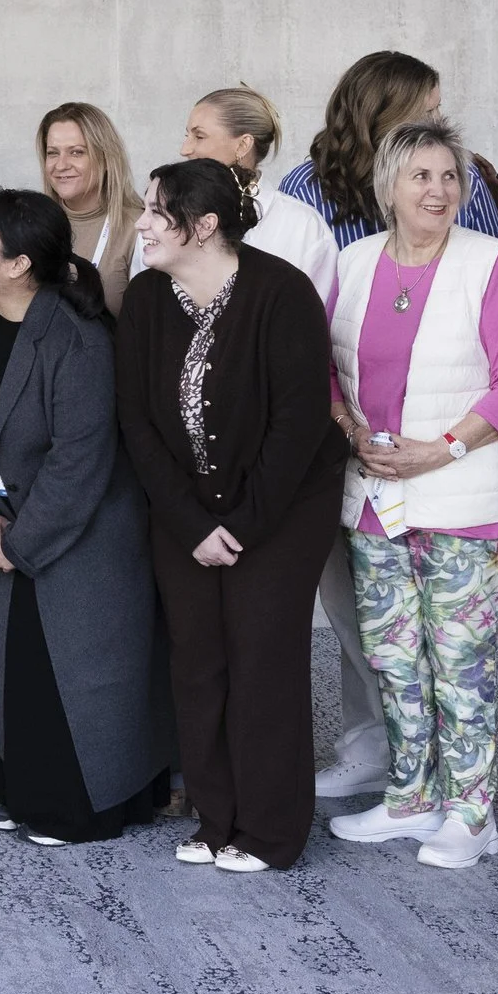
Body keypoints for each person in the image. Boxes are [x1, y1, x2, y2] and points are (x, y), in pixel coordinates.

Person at [324, 118, 498, 871]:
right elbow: (324, 364)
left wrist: (440, 448)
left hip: (466, 495)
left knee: (458, 657)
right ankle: (411, 796)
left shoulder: (492, 263)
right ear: (388, 187)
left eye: (450, 177)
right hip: (377, 495)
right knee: (392, 654)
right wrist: (349, 426)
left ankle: (472, 813)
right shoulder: (351, 262)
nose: (439, 190)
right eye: (421, 176)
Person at [119, 160, 341, 871]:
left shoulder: (282, 292)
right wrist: (190, 523)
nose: (143, 223)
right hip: (185, 511)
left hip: (282, 508)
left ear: (205, 224)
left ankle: (270, 832)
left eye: (158, 211)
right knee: (198, 661)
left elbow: (299, 425)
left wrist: (241, 525)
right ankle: (216, 821)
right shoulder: (150, 298)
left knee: (263, 659)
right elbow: (136, 422)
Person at [0, 190, 169, 846]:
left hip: (84, 530)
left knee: (79, 672)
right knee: (21, 669)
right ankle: (27, 794)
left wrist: (21, 541)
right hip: (3, 521)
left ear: (18, 264)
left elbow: (81, 460)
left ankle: (84, 810)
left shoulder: (76, 338)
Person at [280, 50, 498, 251]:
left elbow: (497, 272)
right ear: (383, 120)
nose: (439, 121)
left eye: (438, 108)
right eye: (428, 112)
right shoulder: (304, 190)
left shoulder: (463, 175)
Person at [178, 86, 336, 300]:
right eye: (187, 135)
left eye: (199, 136)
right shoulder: (167, 214)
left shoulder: (303, 227)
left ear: (243, 145)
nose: (185, 149)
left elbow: (315, 317)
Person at [36, 102, 142, 316]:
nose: (61, 165)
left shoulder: (138, 228)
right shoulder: (35, 221)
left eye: (76, 152)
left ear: (105, 158)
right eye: (53, 153)